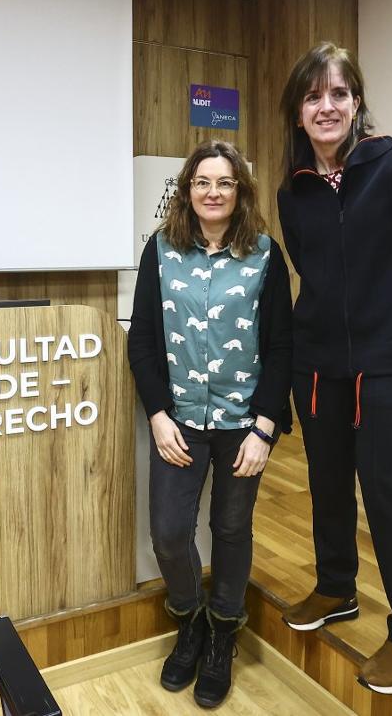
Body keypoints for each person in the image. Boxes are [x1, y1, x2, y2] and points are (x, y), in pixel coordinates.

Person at [275, 43, 392, 695]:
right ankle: (336, 588)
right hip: (318, 363)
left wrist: (390, 315)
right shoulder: (292, 189)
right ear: (298, 112)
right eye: (314, 96)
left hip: (389, 363)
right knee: (325, 483)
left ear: (357, 103)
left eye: (339, 94)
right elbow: (310, 269)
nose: (327, 106)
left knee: (390, 495)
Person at [128, 139, 292, 709]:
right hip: (179, 423)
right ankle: (189, 620)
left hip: (243, 423)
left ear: (240, 191)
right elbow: (142, 339)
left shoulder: (266, 256)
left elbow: (281, 346)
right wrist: (156, 415)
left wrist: (266, 428)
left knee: (230, 529)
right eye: (202, 182)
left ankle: (223, 633)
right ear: (187, 190)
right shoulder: (161, 250)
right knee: (170, 534)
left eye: (224, 183)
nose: (213, 192)